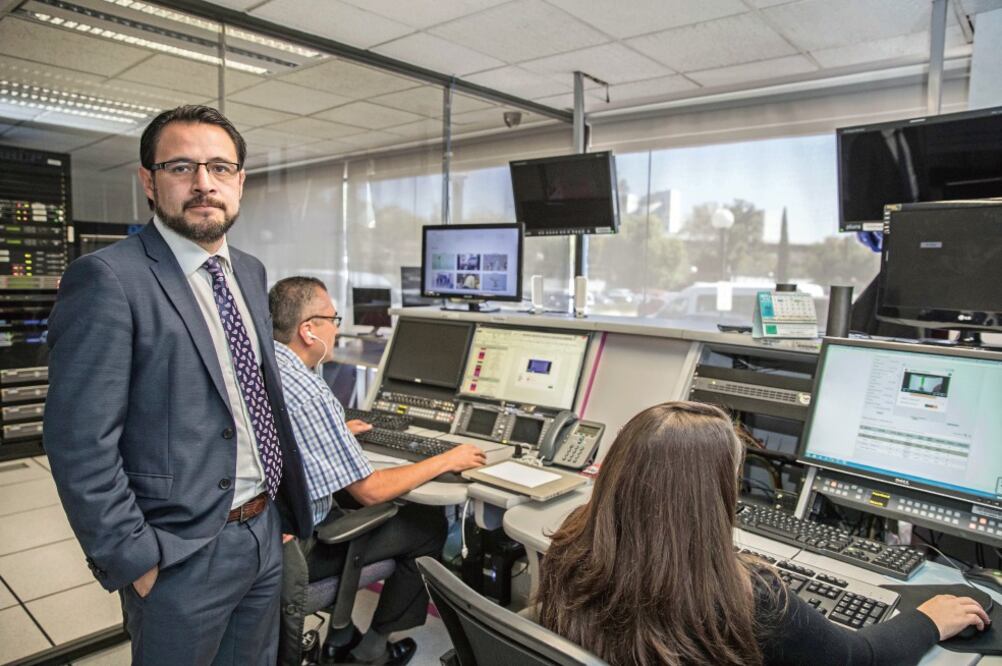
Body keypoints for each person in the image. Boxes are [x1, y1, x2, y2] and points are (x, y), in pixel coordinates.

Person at [43, 105, 313, 665]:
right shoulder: (109, 279)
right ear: (148, 180)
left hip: (264, 531)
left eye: (219, 167)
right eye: (181, 167)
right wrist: (135, 558)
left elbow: (252, 395)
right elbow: (78, 441)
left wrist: (278, 510)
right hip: (178, 553)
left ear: (239, 180)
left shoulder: (251, 271)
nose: (203, 184)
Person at [536, 401, 991, 666]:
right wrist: (930, 619)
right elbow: (857, 659)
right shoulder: (745, 593)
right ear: (709, 496)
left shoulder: (571, 542)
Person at [269, 276, 486, 665]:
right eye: (332, 319)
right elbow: (370, 491)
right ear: (308, 330)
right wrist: (446, 459)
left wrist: (335, 431)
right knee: (427, 525)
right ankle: (373, 648)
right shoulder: (309, 391)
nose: (337, 328)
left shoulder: (265, 366)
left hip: (271, 534)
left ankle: (345, 635)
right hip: (302, 548)